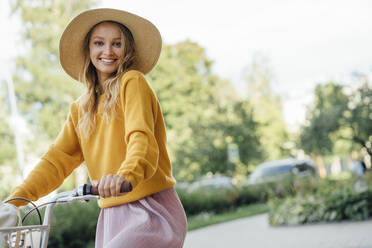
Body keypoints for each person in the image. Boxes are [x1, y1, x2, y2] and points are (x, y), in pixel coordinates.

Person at [6, 8, 187, 248]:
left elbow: (141, 138)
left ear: (127, 49)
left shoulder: (132, 82)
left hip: (149, 208)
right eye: (99, 43)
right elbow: (56, 160)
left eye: (117, 43)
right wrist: (14, 201)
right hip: (111, 215)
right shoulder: (80, 108)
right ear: (89, 50)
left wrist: (126, 175)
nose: (108, 51)